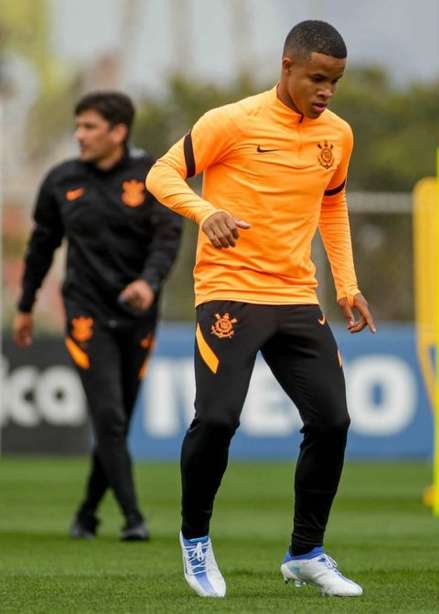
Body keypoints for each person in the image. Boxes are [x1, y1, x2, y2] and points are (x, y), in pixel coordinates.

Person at [146, 19, 374, 598]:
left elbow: (333, 208)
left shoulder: (338, 136)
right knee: (218, 420)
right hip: (228, 292)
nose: (326, 91)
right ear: (287, 67)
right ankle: (195, 541)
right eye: (317, 78)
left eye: (335, 82)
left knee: (333, 422)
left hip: (297, 297)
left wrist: (346, 286)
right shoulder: (230, 122)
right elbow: (161, 173)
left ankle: (305, 553)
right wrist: (205, 212)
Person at [14, 91, 182, 541]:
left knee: (118, 420)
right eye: (78, 126)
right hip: (85, 314)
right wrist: (26, 306)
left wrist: (148, 283)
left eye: (89, 127)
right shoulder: (61, 180)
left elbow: (167, 238)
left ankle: (88, 512)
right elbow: (40, 248)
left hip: (137, 314)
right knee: (108, 416)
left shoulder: (152, 177)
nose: (79, 135)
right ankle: (133, 518)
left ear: (118, 132)